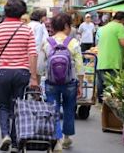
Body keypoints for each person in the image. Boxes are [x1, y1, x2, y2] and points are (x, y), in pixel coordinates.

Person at [0, 0, 38, 152]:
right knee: (17, 106)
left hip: (3, 72)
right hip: (22, 72)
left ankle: (5, 135)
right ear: (22, 13)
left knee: (3, 105)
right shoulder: (26, 29)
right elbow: (33, 54)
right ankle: (15, 144)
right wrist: (34, 77)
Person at [39, 13, 84, 151]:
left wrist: (41, 78)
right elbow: (80, 66)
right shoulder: (73, 42)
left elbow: (40, 66)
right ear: (66, 26)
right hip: (70, 82)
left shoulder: (47, 42)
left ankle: (57, 140)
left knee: (53, 110)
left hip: (51, 82)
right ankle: (67, 138)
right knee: (69, 109)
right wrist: (81, 83)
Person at [97, 11, 124, 103]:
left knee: (103, 93)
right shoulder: (120, 27)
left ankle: (104, 113)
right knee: (112, 93)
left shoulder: (104, 28)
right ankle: (110, 114)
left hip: (101, 62)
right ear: (122, 20)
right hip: (113, 63)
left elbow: (111, 45)